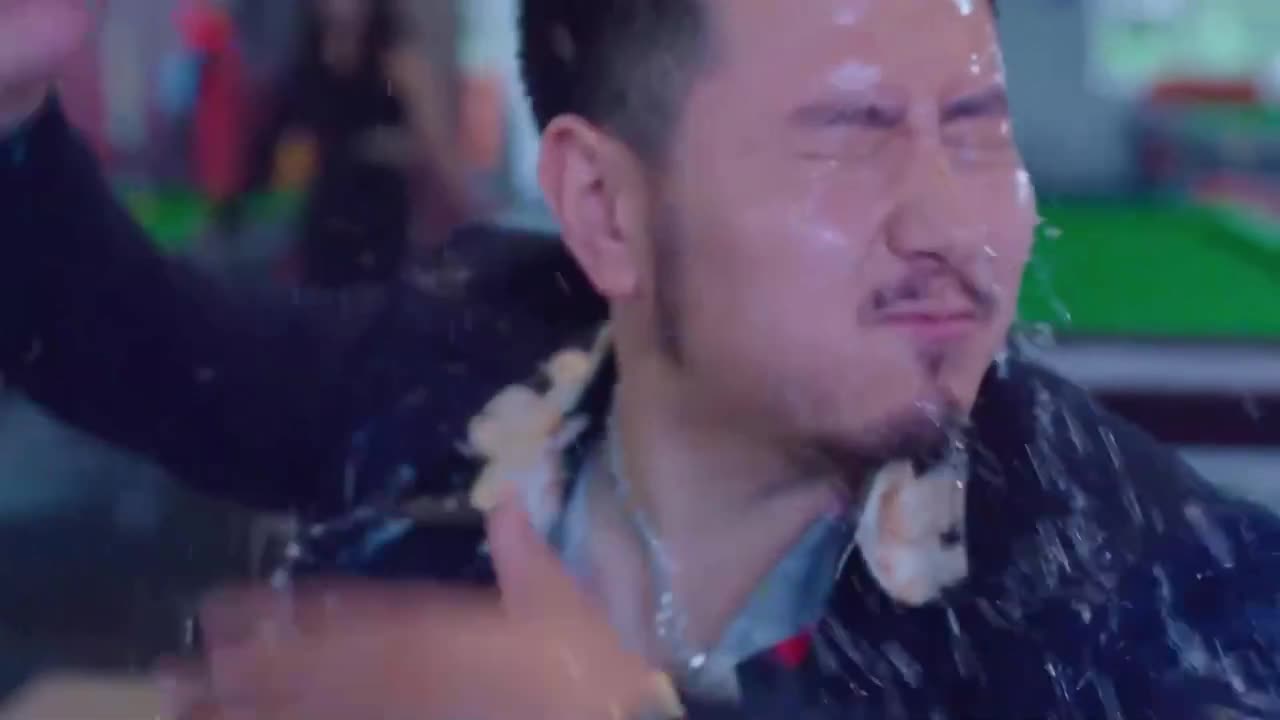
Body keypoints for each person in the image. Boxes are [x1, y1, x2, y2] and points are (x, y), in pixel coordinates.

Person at [2, 1, 1280, 718]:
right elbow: (136, 346)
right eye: (847, 134)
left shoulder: (1148, 583)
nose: (952, 226)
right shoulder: (469, 354)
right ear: (605, 210)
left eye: (976, 129)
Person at [217, 0, 467, 288]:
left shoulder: (398, 61)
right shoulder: (307, 63)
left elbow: (436, 147)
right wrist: (235, 207)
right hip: (326, 220)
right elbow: (270, 143)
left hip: (382, 222)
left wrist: (469, 211)